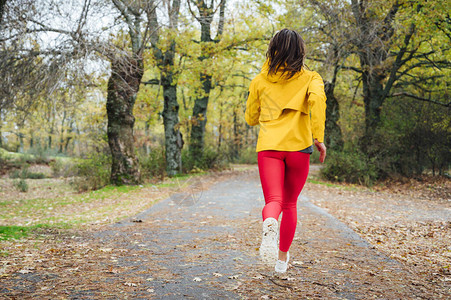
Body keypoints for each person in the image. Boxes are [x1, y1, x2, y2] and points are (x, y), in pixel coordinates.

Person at [245, 29, 327, 273]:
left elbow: (250, 118)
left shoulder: (259, 81)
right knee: (290, 204)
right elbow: (318, 102)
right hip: (299, 148)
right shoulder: (312, 78)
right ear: (300, 52)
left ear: (273, 51)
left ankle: (269, 222)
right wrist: (319, 137)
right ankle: (281, 263)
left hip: (269, 147)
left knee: (274, 201)